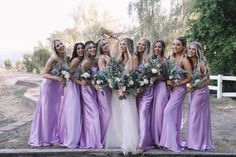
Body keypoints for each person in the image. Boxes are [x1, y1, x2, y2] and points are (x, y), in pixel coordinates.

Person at [28, 39, 67, 146]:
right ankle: (46, 138)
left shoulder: (64, 58)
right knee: (47, 113)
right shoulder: (53, 59)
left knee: (55, 112)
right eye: (57, 45)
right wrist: (57, 78)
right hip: (49, 88)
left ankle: (53, 134)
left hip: (57, 89)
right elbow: (44, 74)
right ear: (55, 49)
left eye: (61, 43)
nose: (60, 46)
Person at [105, 37, 139, 154]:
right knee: (117, 114)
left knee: (128, 114)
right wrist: (115, 84)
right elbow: (112, 73)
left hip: (127, 91)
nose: (121, 46)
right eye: (120, 44)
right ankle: (119, 139)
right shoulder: (117, 59)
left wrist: (125, 87)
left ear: (129, 46)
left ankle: (129, 141)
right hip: (116, 92)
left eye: (124, 44)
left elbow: (133, 76)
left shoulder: (133, 58)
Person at [159, 36, 192, 152]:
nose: (175, 47)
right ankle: (167, 142)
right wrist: (168, 81)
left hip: (179, 90)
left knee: (167, 112)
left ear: (183, 46)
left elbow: (190, 78)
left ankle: (173, 143)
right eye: (173, 44)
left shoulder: (184, 60)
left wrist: (177, 83)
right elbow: (167, 74)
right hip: (170, 90)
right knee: (174, 115)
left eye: (178, 45)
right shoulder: (170, 59)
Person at [185, 41, 213, 150]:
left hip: (201, 93)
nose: (191, 51)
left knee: (195, 116)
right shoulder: (190, 63)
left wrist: (195, 86)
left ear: (197, 51)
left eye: (193, 49)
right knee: (194, 116)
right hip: (194, 92)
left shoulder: (201, 64)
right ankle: (194, 141)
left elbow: (208, 81)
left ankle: (196, 144)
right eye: (190, 49)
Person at [58, 42, 85, 148]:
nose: (81, 50)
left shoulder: (82, 60)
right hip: (72, 88)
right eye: (78, 49)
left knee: (77, 112)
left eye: (82, 48)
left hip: (77, 87)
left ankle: (76, 137)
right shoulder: (76, 60)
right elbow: (69, 75)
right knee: (73, 112)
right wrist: (79, 82)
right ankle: (70, 139)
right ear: (75, 50)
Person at [80, 41, 103, 148]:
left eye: (93, 47)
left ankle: (93, 139)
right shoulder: (85, 62)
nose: (92, 49)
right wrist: (93, 85)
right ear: (86, 50)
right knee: (94, 114)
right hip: (87, 91)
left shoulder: (96, 60)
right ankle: (92, 142)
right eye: (89, 48)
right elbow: (83, 80)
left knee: (92, 115)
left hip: (94, 91)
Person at [135, 38, 154, 153]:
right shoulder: (135, 58)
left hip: (147, 91)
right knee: (138, 116)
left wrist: (145, 83)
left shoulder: (150, 58)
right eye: (139, 44)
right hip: (137, 92)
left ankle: (142, 145)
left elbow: (153, 75)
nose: (140, 46)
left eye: (143, 45)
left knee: (143, 115)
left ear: (147, 47)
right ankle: (141, 139)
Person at [150, 40, 170, 147]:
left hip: (162, 88)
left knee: (159, 113)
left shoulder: (164, 61)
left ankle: (160, 139)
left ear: (163, 48)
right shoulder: (151, 60)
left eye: (159, 47)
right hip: (153, 88)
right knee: (154, 113)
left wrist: (156, 76)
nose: (157, 49)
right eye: (155, 47)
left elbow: (166, 77)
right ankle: (154, 138)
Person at [96, 38, 112, 145]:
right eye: (103, 44)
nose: (106, 45)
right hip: (103, 88)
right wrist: (109, 64)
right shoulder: (101, 58)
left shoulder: (110, 56)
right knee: (107, 113)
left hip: (110, 89)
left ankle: (107, 138)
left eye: (106, 43)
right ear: (100, 48)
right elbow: (103, 74)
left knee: (110, 113)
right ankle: (101, 139)